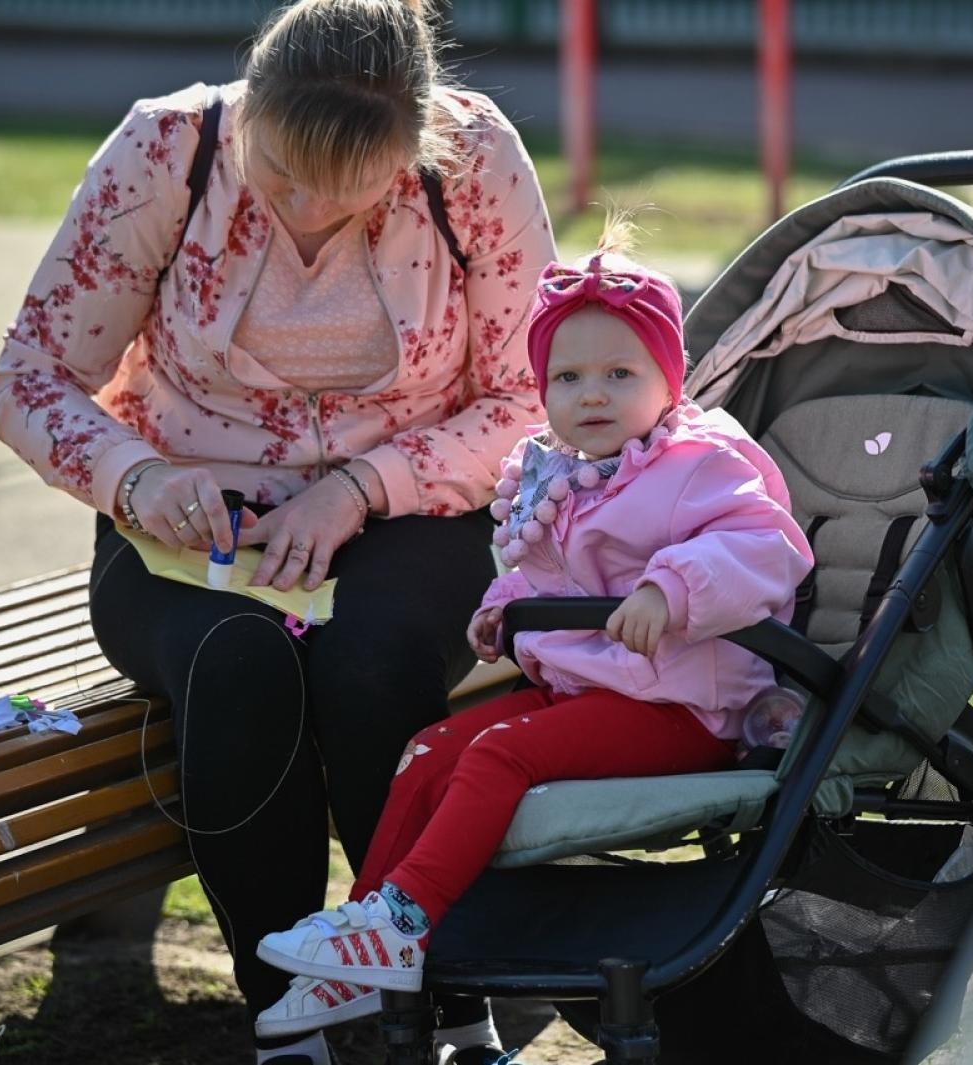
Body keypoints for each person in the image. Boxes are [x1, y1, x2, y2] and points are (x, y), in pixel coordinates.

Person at [0, 1, 556, 1060]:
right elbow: (30, 378)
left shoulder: (473, 158)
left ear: (413, 146)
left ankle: (439, 987)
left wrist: (361, 488)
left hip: (410, 508)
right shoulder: (167, 149)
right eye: (282, 173)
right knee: (240, 664)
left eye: (350, 188)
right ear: (252, 107)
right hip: (182, 521)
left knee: (373, 659)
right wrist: (139, 477)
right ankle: (288, 1013)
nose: (308, 210)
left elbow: (532, 398)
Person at [252, 230, 815, 1037]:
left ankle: (406, 917)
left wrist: (671, 587)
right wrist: (505, 605)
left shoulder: (701, 463)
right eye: (569, 377)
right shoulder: (559, 470)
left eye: (620, 374)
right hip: (591, 690)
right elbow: (549, 572)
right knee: (428, 749)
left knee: (498, 754)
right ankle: (367, 944)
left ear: (670, 380)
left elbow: (764, 547)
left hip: (683, 706)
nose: (593, 395)